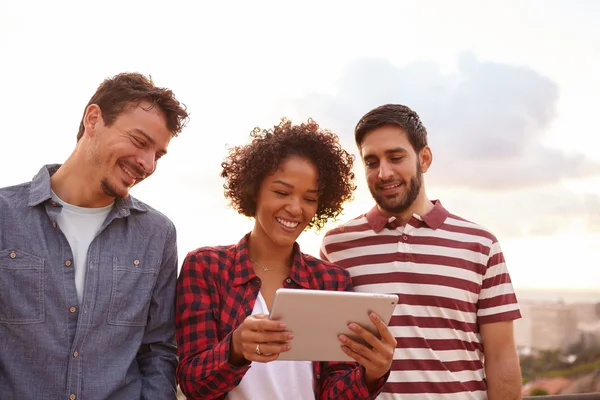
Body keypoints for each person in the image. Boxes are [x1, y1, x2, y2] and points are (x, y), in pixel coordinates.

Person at [176, 118, 396, 399]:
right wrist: (235, 349)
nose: (295, 208)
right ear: (254, 190)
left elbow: (334, 393)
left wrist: (371, 374)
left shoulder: (331, 281)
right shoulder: (206, 267)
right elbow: (192, 383)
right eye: (281, 192)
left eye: (309, 198)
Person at [0, 73, 189, 400]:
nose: (147, 164)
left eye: (157, 155)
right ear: (93, 119)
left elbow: (158, 350)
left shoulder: (158, 235)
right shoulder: (5, 216)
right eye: (140, 142)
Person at [320, 104, 523, 400]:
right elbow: (330, 357)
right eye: (371, 161)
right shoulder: (337, 246)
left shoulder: (481, 245)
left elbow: (501, 358)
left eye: (396, 157)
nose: (383, 172)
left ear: (424, 158)